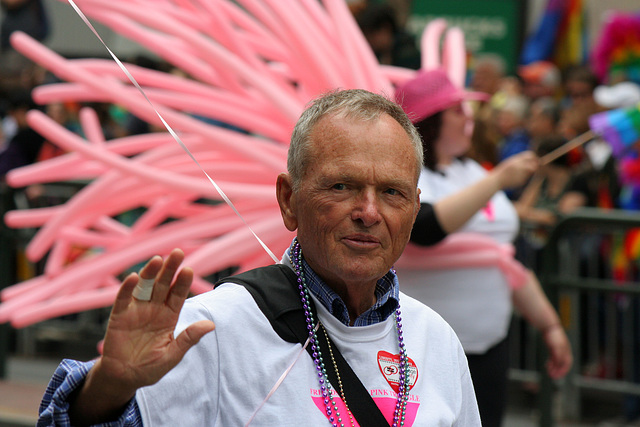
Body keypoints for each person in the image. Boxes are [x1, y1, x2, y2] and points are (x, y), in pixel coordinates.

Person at [38, 89, 481, 426]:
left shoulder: (437, 342)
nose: (368, 212)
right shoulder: (208, 330)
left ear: (414, 209)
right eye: (341, 186)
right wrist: (111, 387)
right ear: (289, 200)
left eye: (391, 192)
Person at [394, 68, 573, 427]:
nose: (469, 118)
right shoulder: (406, 174)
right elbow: (425, 227)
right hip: (419, 354)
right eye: (458, 110)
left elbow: (502, 260)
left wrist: (550, 326)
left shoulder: (472, 171)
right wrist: (498, 179)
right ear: (432, 121)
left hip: (489, 348)